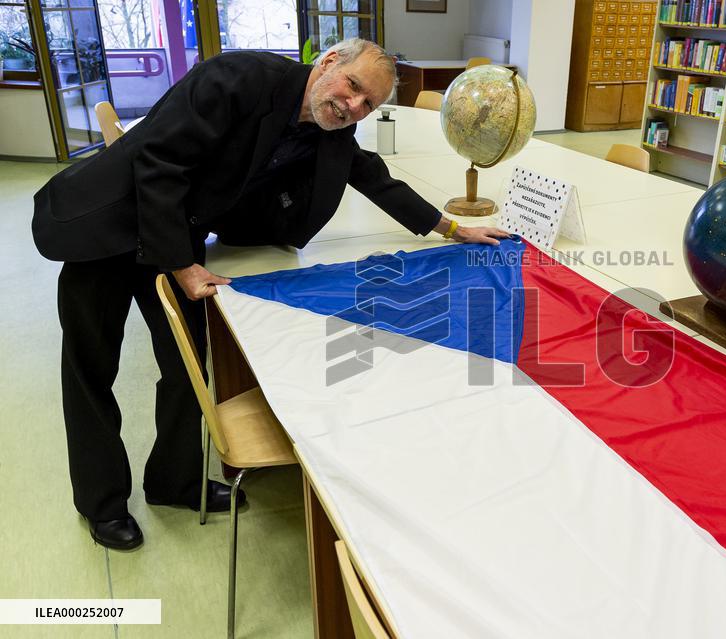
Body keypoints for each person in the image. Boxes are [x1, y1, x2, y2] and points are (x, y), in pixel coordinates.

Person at [32, 38, 509, 551]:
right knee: (91, 369)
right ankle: (101, 503)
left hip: (175, 231)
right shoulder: (239, 77)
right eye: (352, 86)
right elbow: (158, 161)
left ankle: (175, 482)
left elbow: (372, 176)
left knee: (187, 366)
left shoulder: (328, 128)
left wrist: (451, 227)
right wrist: (182, 265)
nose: (353, 106)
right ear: (328, 63)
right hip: (106, 222)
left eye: (368, 103)